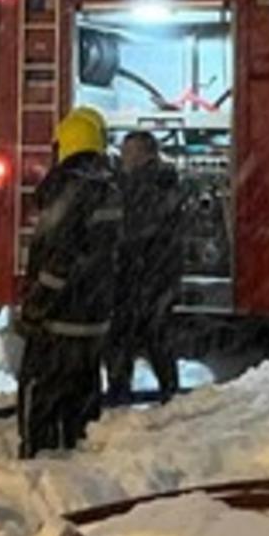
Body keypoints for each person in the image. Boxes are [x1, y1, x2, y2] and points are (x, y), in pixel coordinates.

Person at [17, 106, 122, 459]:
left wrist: (35, 305)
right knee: (83, 398)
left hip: (58, 323)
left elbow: (60, 261)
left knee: (40, 394)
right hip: (93, 323)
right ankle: (77, 464)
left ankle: (37, 461)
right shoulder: (110, 190)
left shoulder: (66, 192)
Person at [106, 130, 184, 402]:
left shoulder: (146, 185)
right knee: (155, 335)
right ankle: (168, 387)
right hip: (155, 273)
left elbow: (135, 228)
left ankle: (120, 389)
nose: (124, 158)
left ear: (144, 155)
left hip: (142, 272)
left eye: (129, 152)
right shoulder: (164, 182)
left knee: (124, 334)